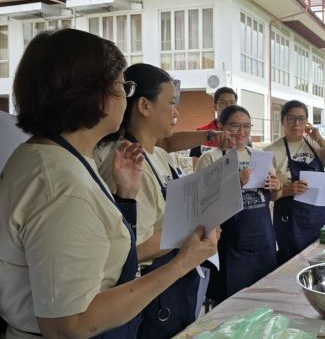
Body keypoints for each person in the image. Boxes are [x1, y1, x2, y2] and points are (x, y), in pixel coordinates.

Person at [0, 29, 217, 339]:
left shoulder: (55, 155)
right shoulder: (61, 185)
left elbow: (94, 248)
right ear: (94, 95)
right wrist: (182, 263)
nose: (126, 99)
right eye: (122, 87)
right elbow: (69, 324)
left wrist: (125, 198)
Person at [95, 63, 207, 339]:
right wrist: (193, 231)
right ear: (144, 106)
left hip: (172, 284)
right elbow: (137, 249)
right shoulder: (125, 161)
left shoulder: (158, 154)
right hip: (148, 292)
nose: (176, 113)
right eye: (171, 103)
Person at [195, 105, 281, 303]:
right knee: (231, 306)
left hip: (263, 242)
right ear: (220, 126)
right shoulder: (210, 159)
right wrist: (236, 183)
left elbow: (275, 196)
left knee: (263, 302)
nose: (242, 132)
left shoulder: (259, 157)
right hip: (230, 246)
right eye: (235, 126)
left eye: (247, 126)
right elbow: (202, 205)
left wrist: (277, 186)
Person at [264, 100, 325, 264]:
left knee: (320, 264)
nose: (296, 123)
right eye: (291, 118)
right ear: (283, 121)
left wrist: (320, 139)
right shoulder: (271, 151)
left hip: (318, 218)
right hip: (290, 222)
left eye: (301, 119)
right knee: (292, 266)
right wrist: (289, 190)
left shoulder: (314, 144)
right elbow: (267, 195)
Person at [189, 87, 238, 166]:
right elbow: (196, 169)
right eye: (223, 102)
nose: (228, 106)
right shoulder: (201, 133)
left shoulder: (242, 134)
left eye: (232, 103)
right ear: (215, 107)